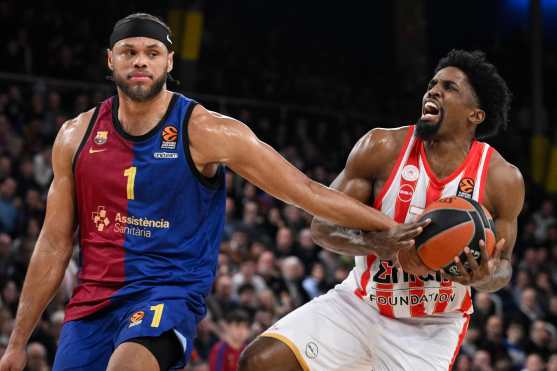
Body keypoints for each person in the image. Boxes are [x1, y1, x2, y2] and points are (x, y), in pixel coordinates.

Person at [0, 12, 423, 371]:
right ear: (110, 60)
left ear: (169, 62)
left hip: (167, 295)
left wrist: (390, 225)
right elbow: (54, 244)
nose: (140, 62)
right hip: (93, 303)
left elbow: (306, 191)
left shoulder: (207, 131)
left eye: (152, 53)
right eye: (129, 52)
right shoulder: (76, 136)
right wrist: (18, 341)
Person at [239, 50, 525, 370]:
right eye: (433, 84)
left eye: (449, 88)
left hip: (431, 328)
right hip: (361, 304)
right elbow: (322, 227)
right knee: (260, 361)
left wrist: (485, 277)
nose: (433, 91)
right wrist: (373, 244)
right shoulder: (382, 147)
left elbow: (502, 268)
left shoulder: (501, 178)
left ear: (475, 115)